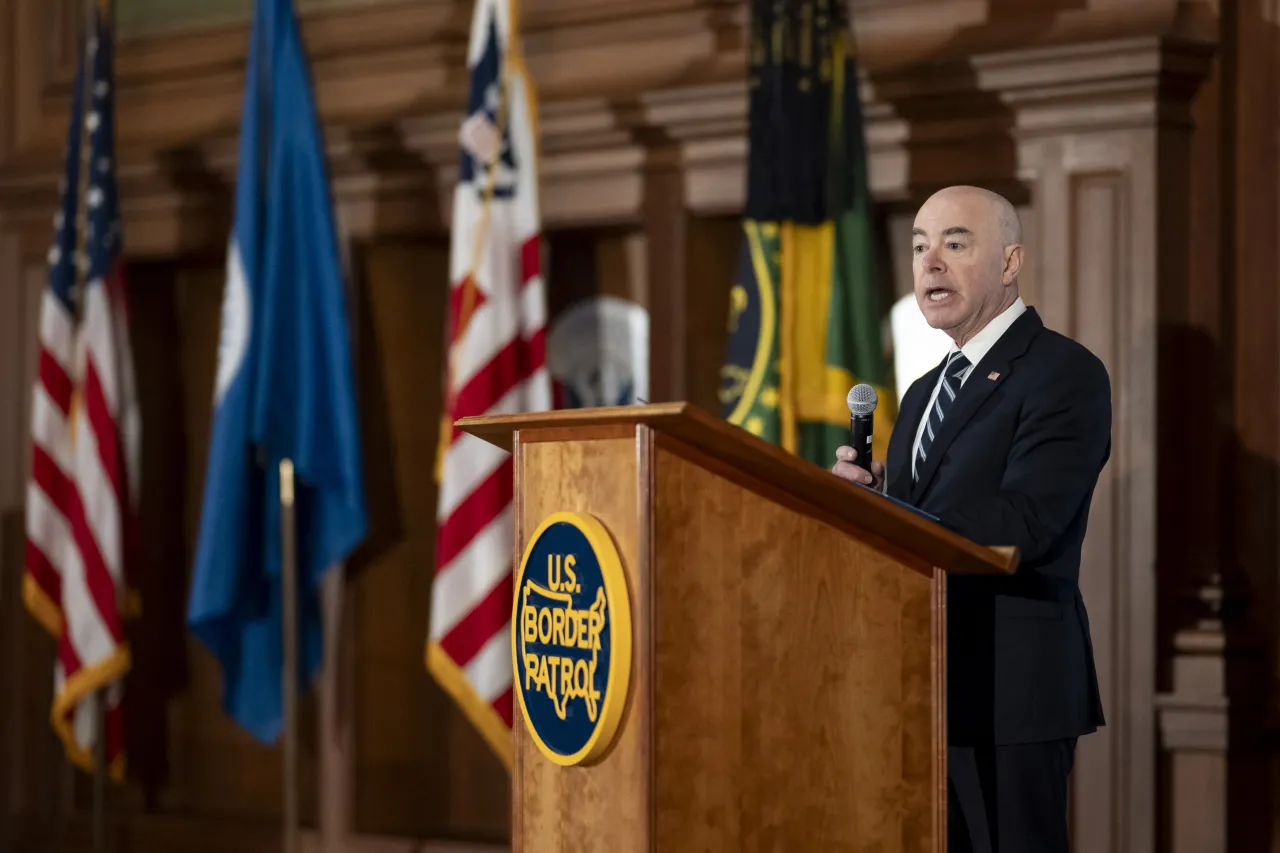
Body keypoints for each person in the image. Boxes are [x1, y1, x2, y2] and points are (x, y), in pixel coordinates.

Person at [831, 185, 1110, 853]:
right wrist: (869, 502)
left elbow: (1028, 516)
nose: (930, 263)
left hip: (1009, 692)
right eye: (920, 245)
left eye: (956, 243)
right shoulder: (925, 391)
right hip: (917, 685)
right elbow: (926, 520)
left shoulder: (1063, 372)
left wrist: (894, 513)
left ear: (1010, 261)